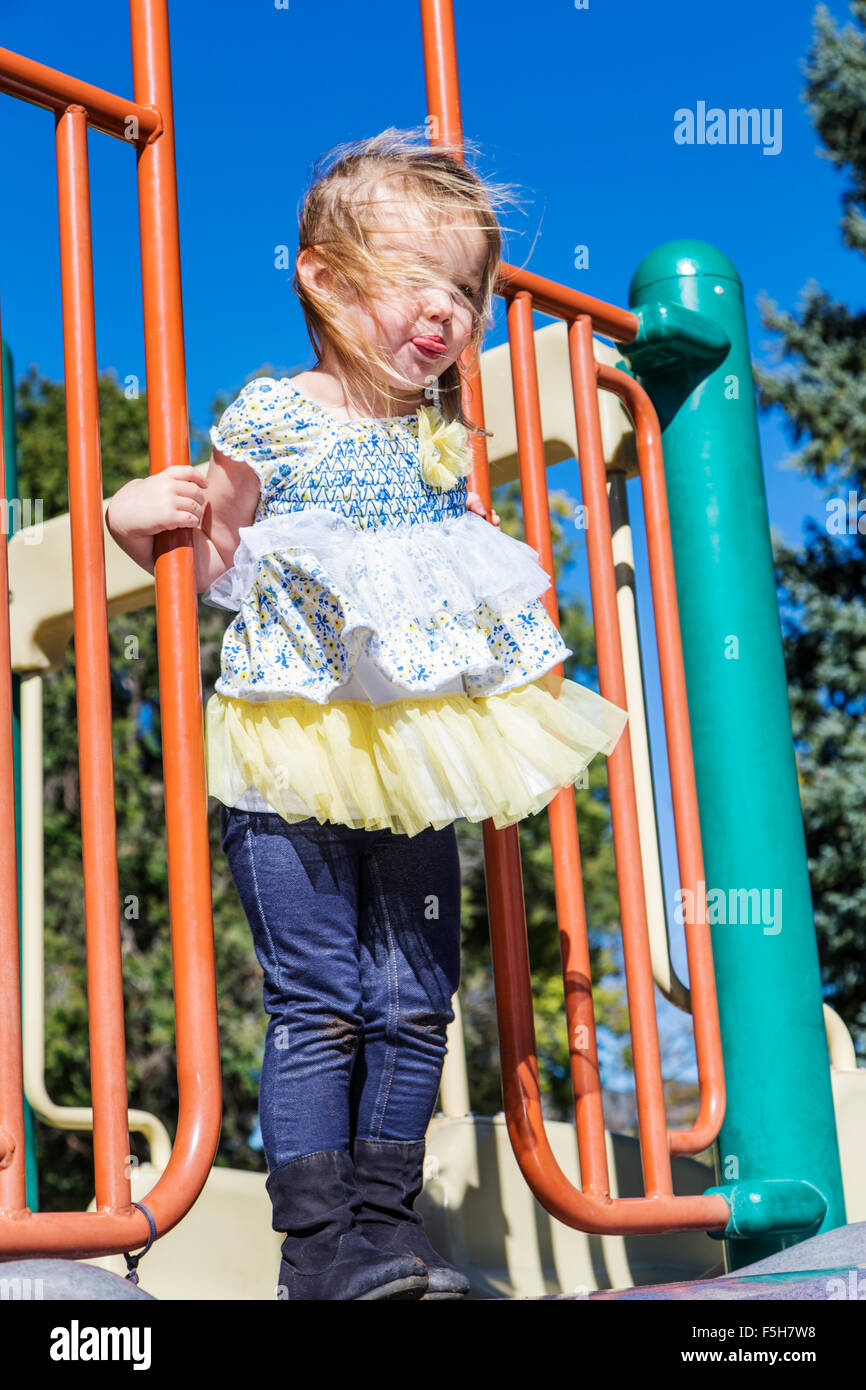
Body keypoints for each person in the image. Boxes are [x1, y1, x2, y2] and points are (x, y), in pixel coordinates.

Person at [106, 127, 629, 1301]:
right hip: (291, 750)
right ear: (325, 280)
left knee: (413, 1000)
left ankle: (388, 1236)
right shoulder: (275, 414)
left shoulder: (438, 441)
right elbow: (207, 539)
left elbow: (457, 592)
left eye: (464, 288)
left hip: (413, 754)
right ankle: (317, 1249)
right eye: (414, 279)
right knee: (321, 1000)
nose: (444, 310)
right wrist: (131, 519)